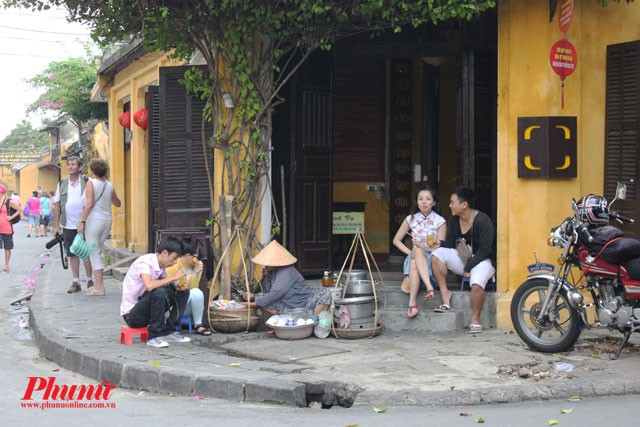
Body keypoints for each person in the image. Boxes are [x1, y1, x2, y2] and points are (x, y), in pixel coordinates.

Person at [430, 186, 495, 334]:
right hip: (464, 260)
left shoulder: (482, 221)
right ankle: (445, 295)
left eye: (453, 202)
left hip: (483, 261)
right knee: (437, 254)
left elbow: (486, 250)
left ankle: (475, 320)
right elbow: (452, 244)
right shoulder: (455, 220)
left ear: (464, 205)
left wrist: (468, 268)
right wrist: (439, 244)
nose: (450, 205)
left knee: (477, 283)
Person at [120, 236, 191, 348]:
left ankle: (169, 331)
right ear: (164, 253)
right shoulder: (144, 263)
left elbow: (167, 286)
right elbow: (149, 286)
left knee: (183, 292)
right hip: (132, 315)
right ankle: (154, 336)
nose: (174, 262)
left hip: (148, 309)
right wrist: (173, 278)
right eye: (173, 258)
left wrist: (179, 286)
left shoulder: (161, 267)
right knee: (159, 291)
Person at [392, 185, 447, 318]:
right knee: (416, 253)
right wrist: (410, 252)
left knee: (415, 260)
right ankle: (429, 288)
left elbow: (440, 247)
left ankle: (412, 303)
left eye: (428, 199)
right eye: (420, 199)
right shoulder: (411, 219)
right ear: (417, 201)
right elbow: (396, 240)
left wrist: (425, 248)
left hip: (431, 259)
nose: (424, 202)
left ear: (433, 202)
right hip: (415, 257)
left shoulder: (440, 221)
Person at [241, 240, 331, 317]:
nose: (265, 265)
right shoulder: (271, 273)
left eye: (268, 263)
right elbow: (269, 294)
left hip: (305, 306)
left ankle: (313, 320)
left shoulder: (286, 272)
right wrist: (254, 296)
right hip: (288, 307)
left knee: (327, 293)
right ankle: (282, 321)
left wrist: (254, 304)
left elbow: (276, 292)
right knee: (262, 299)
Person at [77, 159, 122, 296]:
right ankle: (99, 284)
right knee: (99, 251)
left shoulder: (91, 183)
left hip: (94, 221)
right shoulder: (109, 185)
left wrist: (82, 222)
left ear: (92, 170)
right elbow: (118, 203)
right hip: (107, 220)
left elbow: (89, 203)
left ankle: (99, 287)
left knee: (93, 253)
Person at [52, 156, 94, 293]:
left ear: (80, 167)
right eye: (69, 164)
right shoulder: (62, 183)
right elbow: (57, 205)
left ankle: (90, 280)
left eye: (73, 164)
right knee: (72, 253)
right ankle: (76, 282)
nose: (70, 166)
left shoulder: (87, 182)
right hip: (68, 224)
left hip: (84, 224)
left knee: (85, 253)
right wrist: (56, 225)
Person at [165, 236, 213, 336]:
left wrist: (195, 274)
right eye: (196, 256)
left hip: (187, 303)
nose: (198, 260)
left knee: (197, 293)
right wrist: (191, 275)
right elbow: (180, 288)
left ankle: (199, 324)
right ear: (188, 255)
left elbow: (193, 288)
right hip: (173, 304)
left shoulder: (197, 266)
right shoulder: (173, 265)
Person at [1, 184, 21, 273]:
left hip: (6, 227)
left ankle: (6, 264)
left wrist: (11, 217)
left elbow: (19, 209)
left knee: (7, 247)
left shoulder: (9, 201)